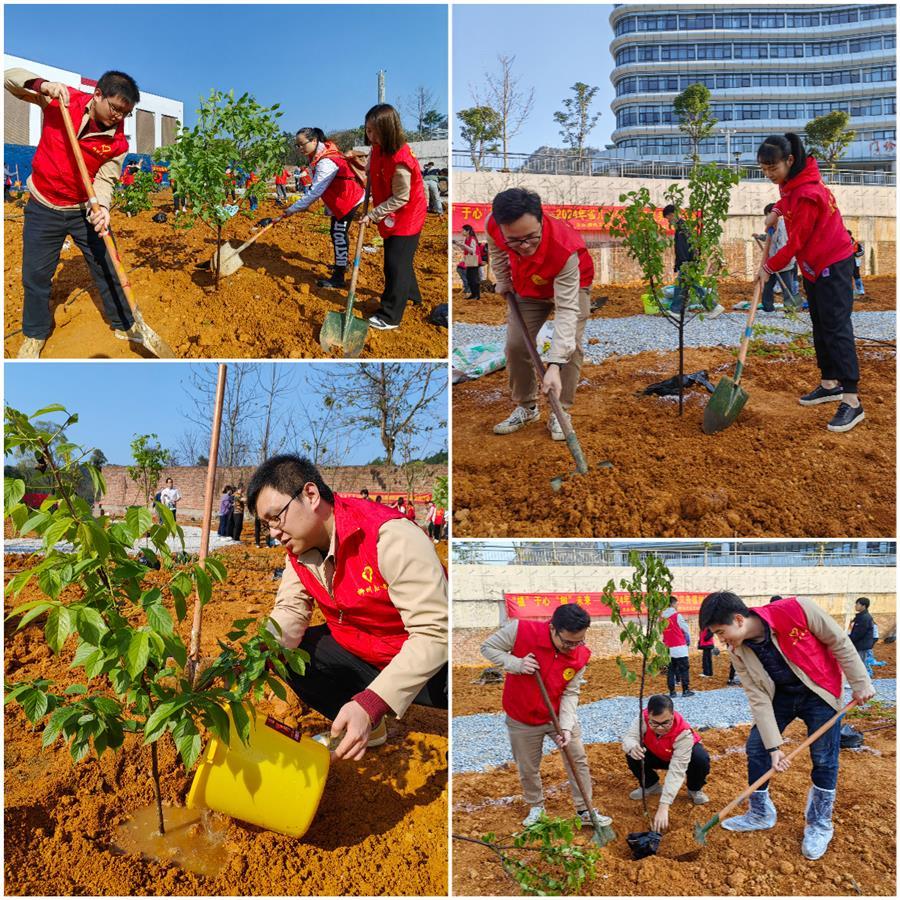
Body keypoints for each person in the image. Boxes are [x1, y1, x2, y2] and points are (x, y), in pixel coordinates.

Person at [247, 455, 447, 760]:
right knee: (291, 656)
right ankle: (369, 726)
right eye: (266, 524)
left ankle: (368, 711)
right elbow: (290, 612)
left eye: (277, 517)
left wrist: (372, 701)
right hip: (365, 650)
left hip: (429, 667)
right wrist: (257, 655)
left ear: (311, 495)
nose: (273, 532)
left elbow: (435, 632)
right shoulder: (299, 552)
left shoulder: (388, 536)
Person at [698, 591, 874, 860]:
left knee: (825, 758)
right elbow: (757, 696)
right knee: (757, 747)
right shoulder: (738, 650)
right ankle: (759, 813)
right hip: (780, 696)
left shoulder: (797, 609)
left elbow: (838, 640)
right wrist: (774, 747)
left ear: (738, 619)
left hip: (820, 691)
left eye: (721, 632)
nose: (721, 641)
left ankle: (819, 824)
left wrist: (860, 682)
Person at [5, 67, 143, 358]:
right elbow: (9, 80)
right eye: (116, 108)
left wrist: (103, 208)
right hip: (44, 204)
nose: (119, 117)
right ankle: (35, 333)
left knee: (108, 265)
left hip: (83, 209)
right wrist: (42, 85)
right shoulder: (63, 101)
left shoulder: (118, 143)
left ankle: (125, 323)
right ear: (98, 95)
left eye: (125, 113)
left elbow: (106, 179)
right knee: (36, 274)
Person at [757, 133, 863, 433]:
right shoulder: (792, 184)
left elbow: (795, 243)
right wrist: (777, 210)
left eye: (772, 168)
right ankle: (830, 383)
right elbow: (786, 197)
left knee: (837, 327)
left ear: (790, 161)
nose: (768, 175)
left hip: (833, 262)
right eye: (763, 169)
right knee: (820, 322)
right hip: (814, 265)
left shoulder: (808, 194)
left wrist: (768, 267)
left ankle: (853, 400)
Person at [481, 604, 614, 829]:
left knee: (577, 758)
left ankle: (585, 809)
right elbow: (488, 647)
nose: (573, 647)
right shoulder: (521, 631)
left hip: (556, 716)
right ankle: (536, 807)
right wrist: (517, 664)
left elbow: (571, 693)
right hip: (521, 715)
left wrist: (565, 727)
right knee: (528, 766)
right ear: (553, 628)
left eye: (579, 640)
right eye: (568, 642)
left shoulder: (581, 654)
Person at [487, 188, 593, 442]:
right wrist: (503, 280)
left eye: (531, 237)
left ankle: (561, 410)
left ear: (541, 220)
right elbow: (497, 251)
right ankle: (527, 406)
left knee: (571, 347)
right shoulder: (494, 226)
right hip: (529, 287)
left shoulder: (564, 248)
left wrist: (554, 364)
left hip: (571, 286)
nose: (523, 246)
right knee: (515, 344)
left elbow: (567, 310)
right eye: (515, 240)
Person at [361, 104, 427, 330]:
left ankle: (390, 316)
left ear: (388, 129)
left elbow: (401, 198)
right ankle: (412, 295)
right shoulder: (378, 148)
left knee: (394, 264)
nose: (370, 136)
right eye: (367, 130)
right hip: (391, 213)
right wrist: (368, 166)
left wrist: (373, 215)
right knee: (400, 259)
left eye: (374, 131)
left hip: (407, 214)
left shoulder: (400, 160)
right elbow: (374, 166)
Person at [283, 127, 365, 290]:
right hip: (343, 199)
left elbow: (315, 191)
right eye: (297, 145)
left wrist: (291, 209)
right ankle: (342, 265)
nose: (299, 149)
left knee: (338, 233)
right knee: (337, 232)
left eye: (302, 144)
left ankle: (338, 277)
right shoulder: (320, 155)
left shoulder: (325, 161)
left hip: (348, 199)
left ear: (314, 141)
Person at [622, 693, 710, 832]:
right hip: (655, 754)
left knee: (700, 759)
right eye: (654, 723)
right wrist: (632, 746)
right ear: (648, 716)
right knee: (633, 754)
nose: (660, 728)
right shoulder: (642, 718)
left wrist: (664, 806)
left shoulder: (684, 733)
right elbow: (630, 737)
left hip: (678, 758)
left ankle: (694, 789)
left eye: (665, 723)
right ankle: (651, 785)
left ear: (673, 715)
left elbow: (677, 769)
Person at [661, 204, 723, 317]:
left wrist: (684, 262)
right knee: (684, 286)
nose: (668, 221)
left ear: (671, 215)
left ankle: (713, 306)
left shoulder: (682, 227)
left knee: (690, 285)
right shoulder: (684, 226)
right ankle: (677, 310)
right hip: (688, 261)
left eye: (667, 218)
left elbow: (683, 247)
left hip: (687, 262)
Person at [757, 203, 798, 311]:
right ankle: (768, 307)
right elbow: (769, 239)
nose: (767, 218)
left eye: (768, 214)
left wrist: (776, 262)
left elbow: (783, 246)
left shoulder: (783, 227)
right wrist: (760, 237)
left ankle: (790, 309)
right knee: (767, 286)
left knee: (786, 287)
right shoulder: (772, 227)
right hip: (772, 263)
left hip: (784, 263)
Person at [662, 597, 695, 697]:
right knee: (684, 668)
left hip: (668, 646)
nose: (677, 606)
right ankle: (685, 690)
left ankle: (672, 692)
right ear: (672, 604)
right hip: (680, 646)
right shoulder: (677, 616)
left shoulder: (662, 617)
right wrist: (688, 638)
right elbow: (685, 628)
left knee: (671, 670)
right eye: (676, 604)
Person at [847, 597, 875, 672]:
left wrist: (849, 639)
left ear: (863, 606)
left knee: (860, 664)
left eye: (858, 604)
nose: (855, 606)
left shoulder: (865, 618)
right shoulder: (860, 617)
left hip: (862, 645)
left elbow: (859, 633)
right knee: (858, 663)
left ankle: (863, 680)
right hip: (859, 644)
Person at [458, 224, 481, 300]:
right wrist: (460, 245)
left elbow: (472, 250)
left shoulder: (472, 239)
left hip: (474, 259)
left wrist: (464, 245)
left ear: (467, 231)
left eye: (463, 230)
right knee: (469, 277)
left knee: (474, 278)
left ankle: (477, 295)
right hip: (469, 259)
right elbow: (466, 249)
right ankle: (473, 294)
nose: (462, 231)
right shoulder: (466, 239)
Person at [847, 230, 866, 297]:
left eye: (847, 235)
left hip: (855, 262)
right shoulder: (842, 243)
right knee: (847, 277)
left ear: (850, 235)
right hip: (846, 262)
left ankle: (860, 290)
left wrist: (855, 254)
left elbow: (862, 251)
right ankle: (850, 291)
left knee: (857, 276)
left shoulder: (856, 243)